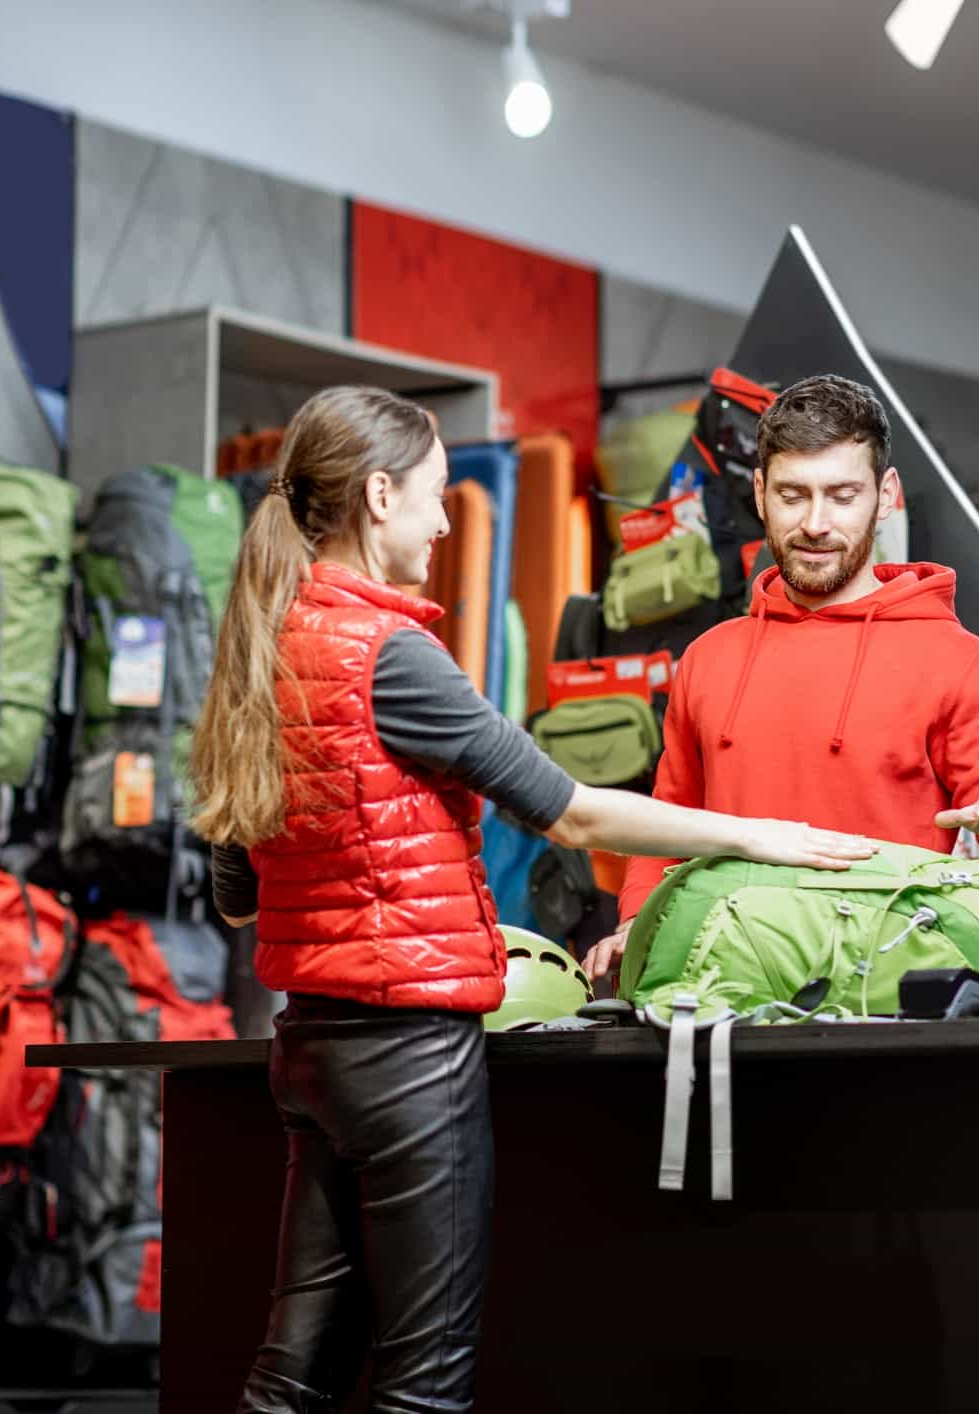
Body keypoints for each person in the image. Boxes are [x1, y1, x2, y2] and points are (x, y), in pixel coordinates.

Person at [189, 385, 873, 1414]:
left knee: (292, 1375)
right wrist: (755, 833)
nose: (446, 518)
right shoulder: (390, 656)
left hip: (311, 1051)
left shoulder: (268, 645)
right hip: (410, 1058)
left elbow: (239, 896)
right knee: (422, 1389)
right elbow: (574, 816)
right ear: (379, 496)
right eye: (433, 495)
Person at [584, 373, 979, 987]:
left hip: (881, 1001)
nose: (816, 523)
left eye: (842, 496)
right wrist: (637, 920)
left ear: (885, 494)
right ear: (760, 493)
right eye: (793, 495)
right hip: (721, 996)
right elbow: (671, 820)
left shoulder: (962, 664)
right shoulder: (708, 658)